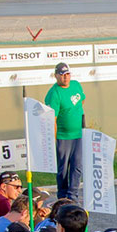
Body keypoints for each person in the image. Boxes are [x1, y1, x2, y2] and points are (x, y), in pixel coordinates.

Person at [44, 62, 86, 200]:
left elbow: (82, 100)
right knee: (63, 169)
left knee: (77, 166)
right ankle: (62, 196)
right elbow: (52, 119)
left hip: (78, 135)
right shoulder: (54, 93)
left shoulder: (76, 85)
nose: (65, 77)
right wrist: (53, 139)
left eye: (67, 74)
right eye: (62, 75)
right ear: (56, 76)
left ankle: (72, 195)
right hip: (63, 137)